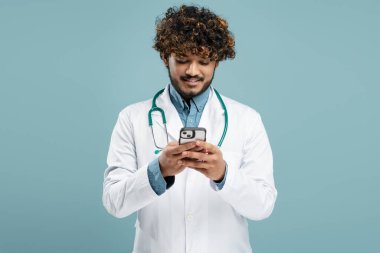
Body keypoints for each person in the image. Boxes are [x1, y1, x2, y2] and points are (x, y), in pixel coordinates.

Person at [103, 5, 277, 253]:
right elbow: (114, 202)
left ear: (216, 61)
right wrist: (158, 171)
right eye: (182, 60)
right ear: (165, 56)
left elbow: (263, 206)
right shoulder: (131, 118)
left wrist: (223, 174)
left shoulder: (247, 119)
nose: (192, 71)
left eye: (203, 61)